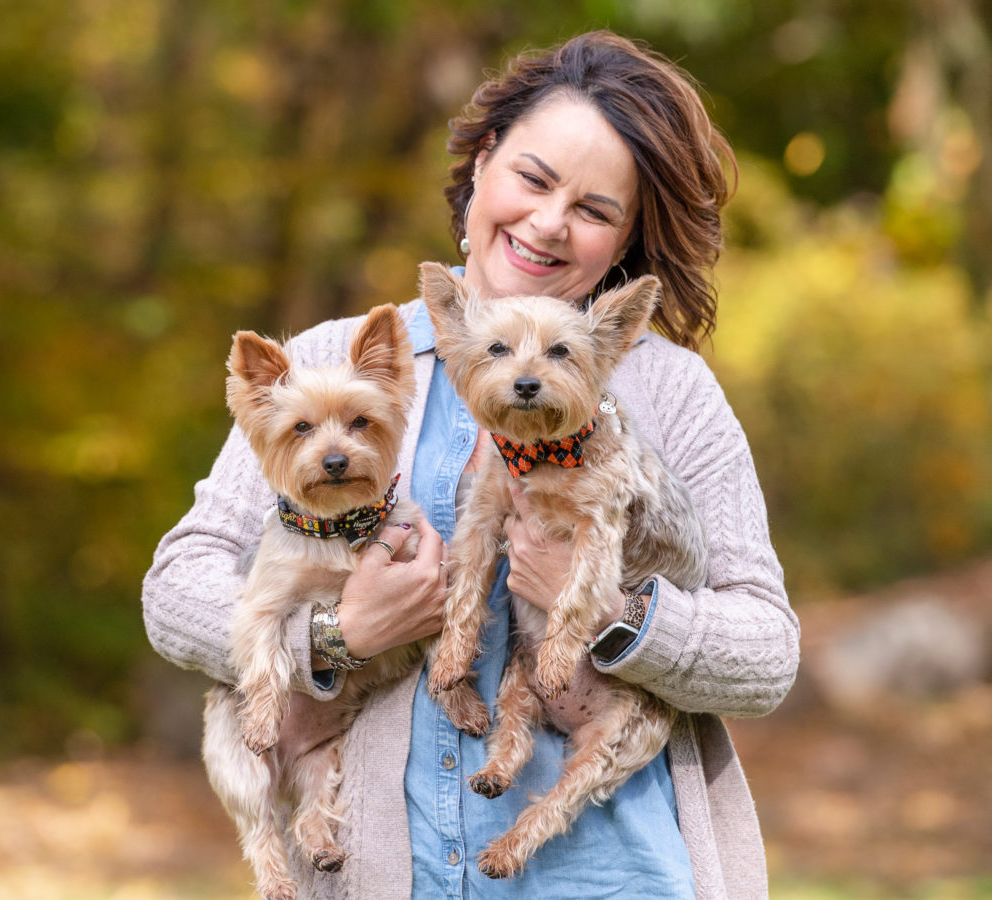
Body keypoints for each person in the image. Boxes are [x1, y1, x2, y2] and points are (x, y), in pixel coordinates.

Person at [143, 30, 799, 900]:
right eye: (531, 178)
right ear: (484, 164)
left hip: (609, 874)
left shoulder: (671, 392)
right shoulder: (340, 363)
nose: (548, 223)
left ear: (626, 238)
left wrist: (617, 612)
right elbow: (175, 589)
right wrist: (338, 636)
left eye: (595, 210)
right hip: (388, 870)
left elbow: (766, 653)